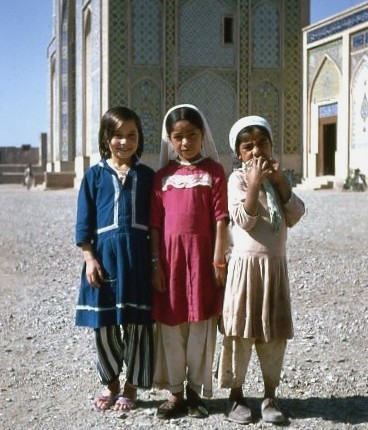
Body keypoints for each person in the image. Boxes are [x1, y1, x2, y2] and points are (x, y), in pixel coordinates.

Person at [218, 115, 305, 424]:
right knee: (240, 333)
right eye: (248, 146)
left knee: (273, 335)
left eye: (262, 144)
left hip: (274, 269)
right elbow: (244, 219)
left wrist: (280, 183)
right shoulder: (237, 180)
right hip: (245, 270)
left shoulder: (277, 180)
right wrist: (254, 185)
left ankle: (270, 395)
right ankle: (236, 395)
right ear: (239, 154)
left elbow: (295, 214)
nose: (256, 151)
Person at [150, 104, 229, 419]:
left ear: (203, 135)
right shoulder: (162, 178)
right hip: (170, 263)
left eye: (192, 135)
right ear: (169, 140)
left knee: (200, 326)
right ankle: (175, 394)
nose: (185, 143)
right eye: (178, 137)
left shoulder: (214, 172)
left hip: (203, 260)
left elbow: (221, 219)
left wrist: (219, 257)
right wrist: (155, 263)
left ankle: (196, 393)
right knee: (172, 327)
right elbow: (155, 225)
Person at [75, 106, 154, 412]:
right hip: (104, 259)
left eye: (131, 135)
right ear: (106, 137)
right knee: (105, 325)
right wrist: (89, 258)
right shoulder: (94, 176)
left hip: (137, 257)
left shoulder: (146, 176)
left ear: (139, 138)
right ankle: (111, 383)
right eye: (118, 135)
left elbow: (156, 221)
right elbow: (84, 222)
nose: (124, 141)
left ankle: (132, 386)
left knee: (138, 323)